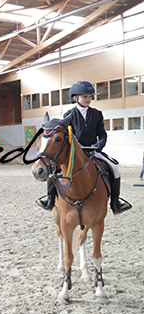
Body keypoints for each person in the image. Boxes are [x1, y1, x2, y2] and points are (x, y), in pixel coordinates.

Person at [36, 81, 131, 214]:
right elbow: (67, 136)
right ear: (75, 98)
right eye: (85, 96)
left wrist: (99, 145)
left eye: (90, 97)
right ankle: (50, 199)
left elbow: (102, 134)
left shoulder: (97, 114)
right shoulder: (68, 115)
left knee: (114, 168)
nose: (88, 99)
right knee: (54, 171)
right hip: (74, 153)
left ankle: (115, 202)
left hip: (93, 150)